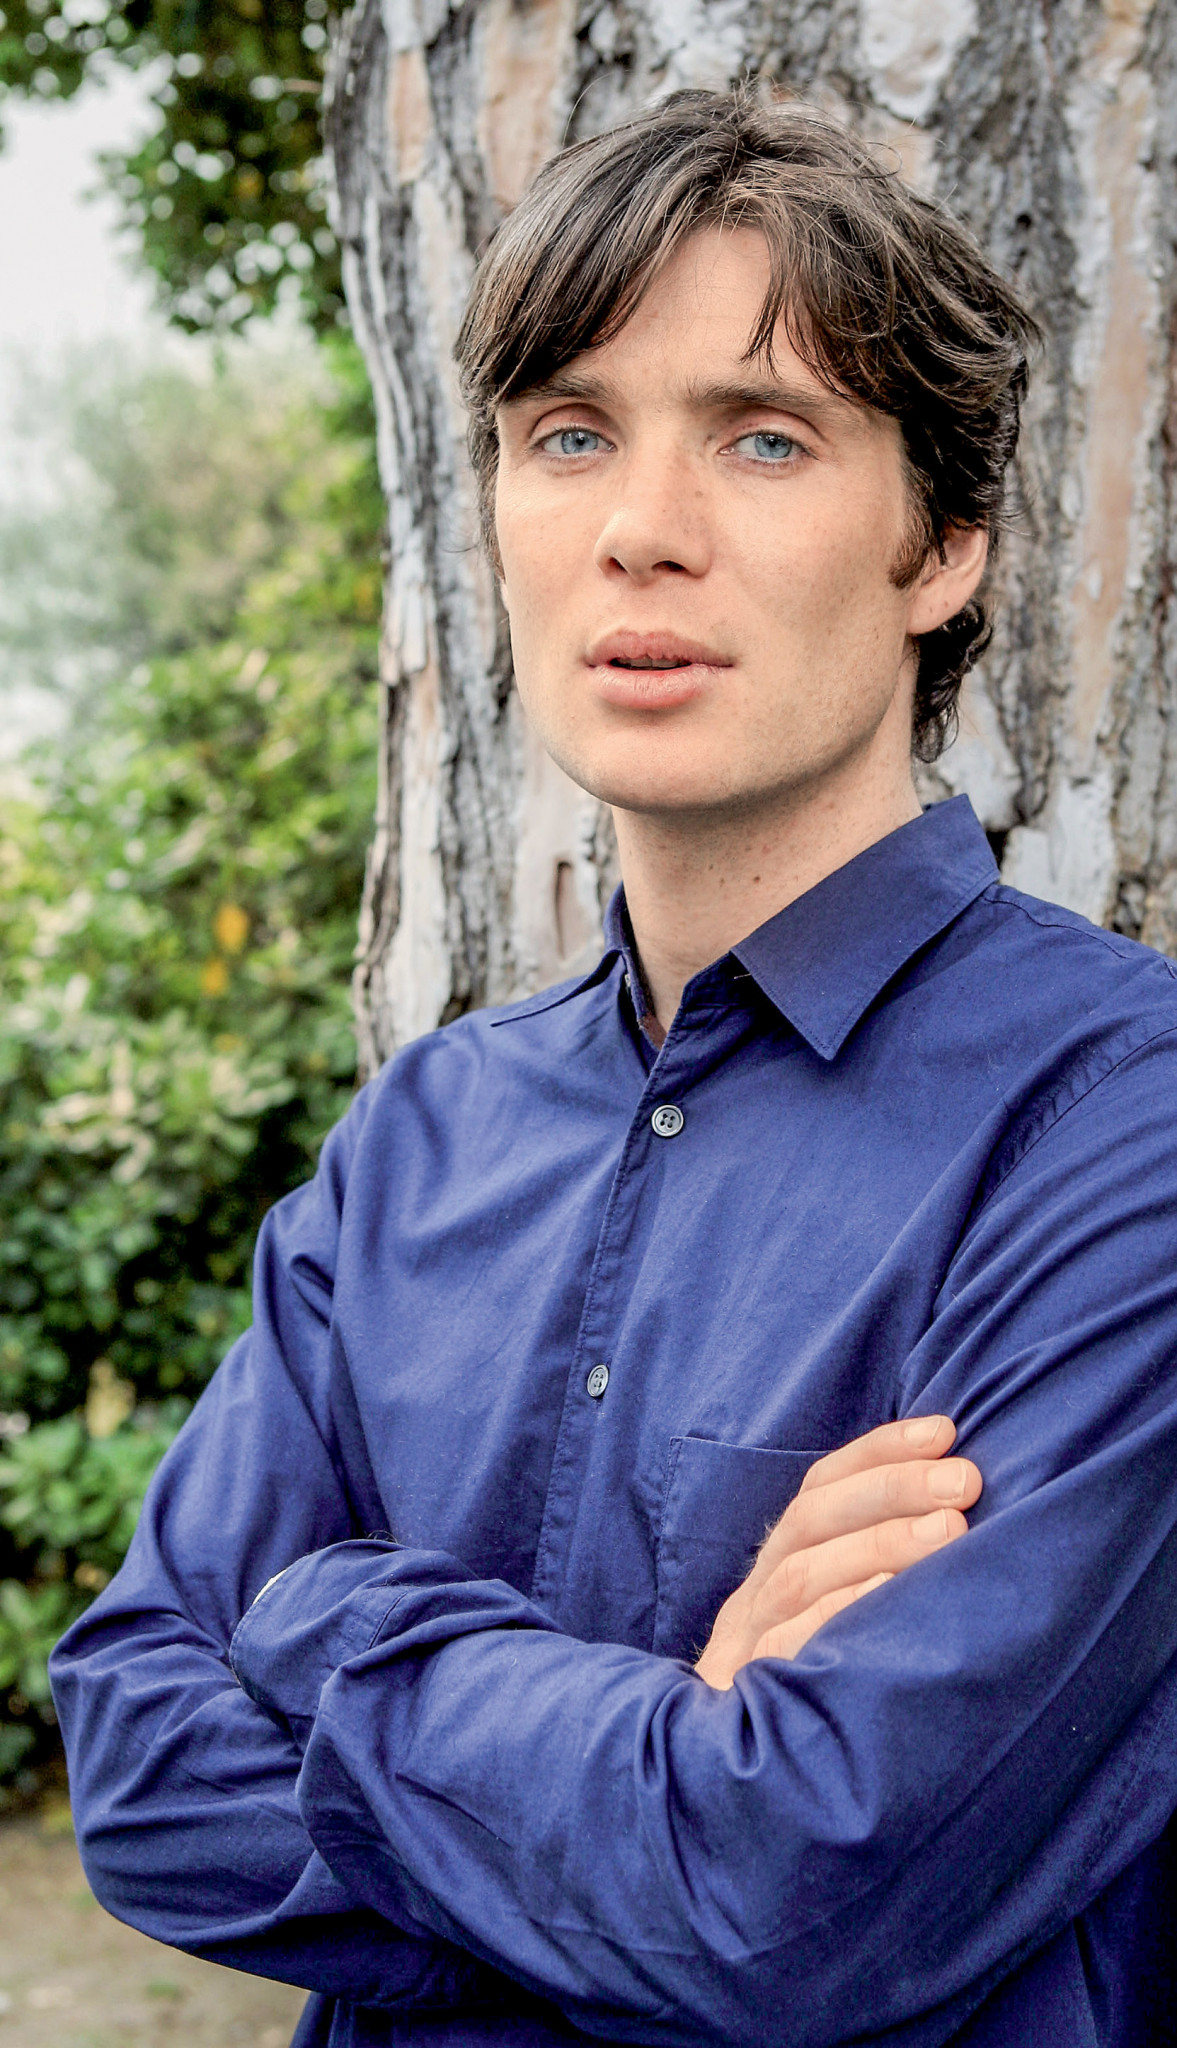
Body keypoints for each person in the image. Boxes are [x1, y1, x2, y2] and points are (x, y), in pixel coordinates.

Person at [51, 89, 1177, 2048]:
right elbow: (138, 1766)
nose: (641, 530)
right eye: (567, 434)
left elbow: (790, 1897)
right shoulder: (420, 1138)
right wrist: (664, 1752)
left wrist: (326, 1622)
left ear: (942, 545)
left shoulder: (1117, 1127)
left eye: (762, 437)